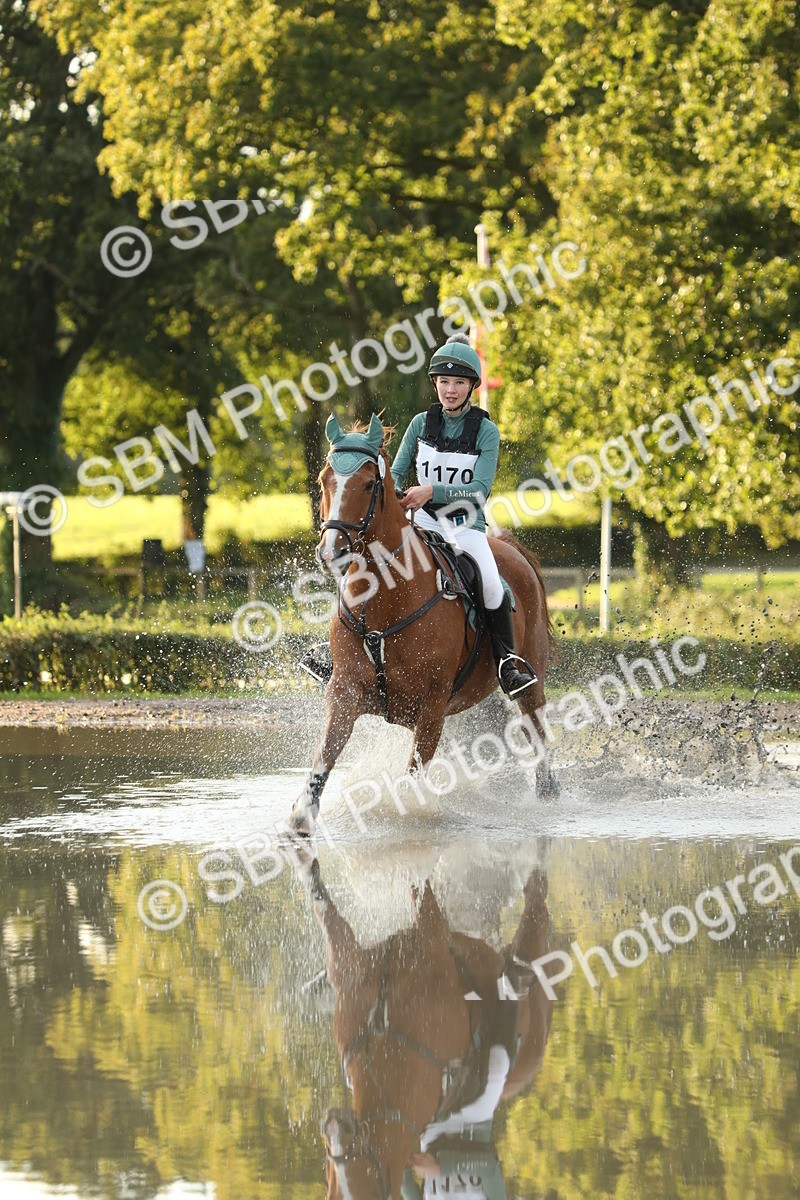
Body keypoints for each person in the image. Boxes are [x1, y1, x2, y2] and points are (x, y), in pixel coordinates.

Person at [390, 332, 537, 698]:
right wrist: (392, 494)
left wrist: (431, 491)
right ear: (435, 385)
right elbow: (395, 472)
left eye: (458, 382)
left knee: (490, 580)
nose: (450, 390)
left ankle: (507, 664)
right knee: (372, 561)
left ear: (471, 386)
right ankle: (338, 652)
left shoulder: (486, 432)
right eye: (443, 382)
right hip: (421, 522)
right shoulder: (420, 424)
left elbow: (479, 492)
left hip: (465, 524)